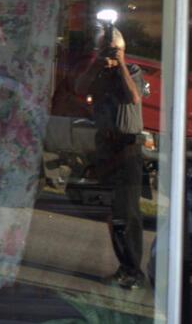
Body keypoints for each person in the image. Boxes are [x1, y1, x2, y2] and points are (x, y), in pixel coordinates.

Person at [74, 24, 146, 289]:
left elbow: (133, 97)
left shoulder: (133, 71)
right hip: (105, 146)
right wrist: (97, 64)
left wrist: (121, 63)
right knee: (113, 213)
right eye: (103, 49)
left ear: (122, 49)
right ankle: (125, 267)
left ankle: (133, 270)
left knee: (127, 213)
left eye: (111, 49)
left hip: (127, 148)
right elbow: (80, 87)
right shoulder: (100, 73)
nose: (108, 54)